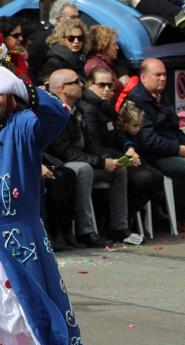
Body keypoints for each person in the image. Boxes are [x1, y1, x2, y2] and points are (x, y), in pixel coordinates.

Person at [0, 62, 93, 345]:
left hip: (21, 246)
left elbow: (57, 114)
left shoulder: (22, 127)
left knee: (38, 331)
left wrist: (26, 87)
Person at [126, 58, 185, 228]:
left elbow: (174, 127)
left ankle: (183, 214)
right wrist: (177, 149)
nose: (163, 79)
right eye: (157, 75)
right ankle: (168, 214)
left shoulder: (161, 96)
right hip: (152, 155)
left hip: (171, 149)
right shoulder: (136, 100)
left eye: (165, 75)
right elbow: (147, 140)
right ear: (143, 77)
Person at [47, 69, 128, 246]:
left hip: (82, 158)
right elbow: (64, 151)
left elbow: (91, 144)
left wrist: (107, 159)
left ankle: (119, 227)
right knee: (84, 170)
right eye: (76, 82)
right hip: (61, 164)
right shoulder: (52, 113)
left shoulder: (78, 109)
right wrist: (99, 162)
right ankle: (86, 230)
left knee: (119, 170)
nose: (81, 85)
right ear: (62, 88)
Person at [80, 68, 163, 226]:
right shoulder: (88, 108)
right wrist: (118, 159)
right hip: (101, 158)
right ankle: (115, 222)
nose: (106, 89)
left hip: (115, 153)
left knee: (156, 176)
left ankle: (127, 218)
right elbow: (94, 144)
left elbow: (119, 132)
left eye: (110, 86)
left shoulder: (105, 104)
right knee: (144, 178)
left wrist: (129, 148)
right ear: (90, 85)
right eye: (101, 85)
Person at [26, 0, 80, 82]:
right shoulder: (45, 39)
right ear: (58, 20)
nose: (77, 21)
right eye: (72, 18)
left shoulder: (75, 36)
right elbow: (35, 69)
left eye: (78, 17)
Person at [83, 25, 131, 92]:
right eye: (114, 44)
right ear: (104, 45)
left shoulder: (110, 62)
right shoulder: (95, 65)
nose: (117, 48)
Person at [40, 19, 87, 84]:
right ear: (62, 39)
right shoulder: (55, 62)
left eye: (80, 38)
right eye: (71, 38)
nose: (76, 41)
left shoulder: (80, 57)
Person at [0, 17, 31, 82]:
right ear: (3, 36)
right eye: (16, 35)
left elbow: (27, 82)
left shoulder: (17, 57)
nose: (21, 38)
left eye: (21, 35)